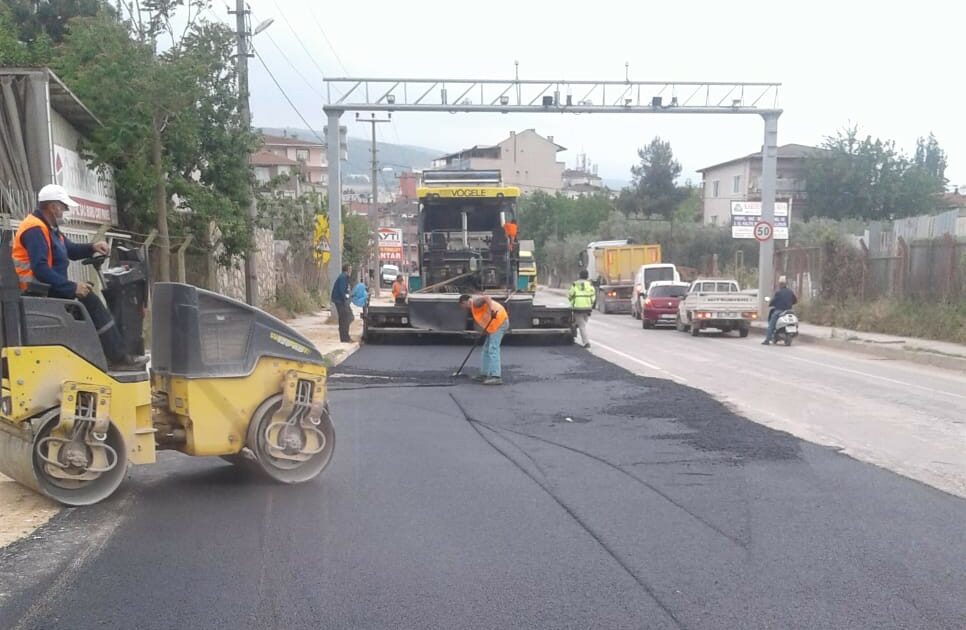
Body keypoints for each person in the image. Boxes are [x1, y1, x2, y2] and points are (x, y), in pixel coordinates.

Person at [12, 185, 146, 370]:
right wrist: (72, 287)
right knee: (92, 303)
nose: (66, 211)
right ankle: (118, 358)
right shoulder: (35, 229)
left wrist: (92, 247)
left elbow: (71, 251)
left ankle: (104, 356)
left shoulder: (50, 228)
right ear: (53, 207)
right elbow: (40, 268)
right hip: (36, 291)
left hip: (47, 287)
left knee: (89, 300)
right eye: (64, 206)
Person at [458, 293, 509, 385]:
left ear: (465, 302)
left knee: (493, 349)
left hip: (500, 321)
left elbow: (487, 297)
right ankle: (484, 374)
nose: (464, 308)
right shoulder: (473, 306)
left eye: (462, 306)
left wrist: (491, 309)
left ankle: (496, 376)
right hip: (493, 325)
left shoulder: (475, 302)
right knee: (486, 349)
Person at [762, 277, 798, 345]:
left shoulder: (778, 292)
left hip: (779, 311)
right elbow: (795, 300)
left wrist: (770, 304)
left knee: (771, 324)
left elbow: (774, 301)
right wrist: (790, 303)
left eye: (780, 284)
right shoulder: (790, 291)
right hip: (789, 310)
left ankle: (767, 340)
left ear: (780, 284)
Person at [568, 269, 596, 348]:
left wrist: (572, 302)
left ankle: (586, 342)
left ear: (579, 276)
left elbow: (570, 294)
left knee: (581, 325)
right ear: (587, 276)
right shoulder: (590, 285)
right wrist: (590, 304)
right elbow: (593, 297)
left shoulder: (574, 285)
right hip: (587, 308)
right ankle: (573, 327)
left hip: (577, 308)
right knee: (583, 323)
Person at [331, 263, 353, 343]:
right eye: (350, 269)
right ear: (347, 270)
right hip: (340, 300)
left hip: (340, 300)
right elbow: (341, 290)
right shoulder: (343, 277)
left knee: (346, 318)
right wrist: (345, 299)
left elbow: (345, 289)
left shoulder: (345, 277)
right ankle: (345, 338)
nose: (351, 271)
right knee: (346, 318)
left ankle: (344, 336)